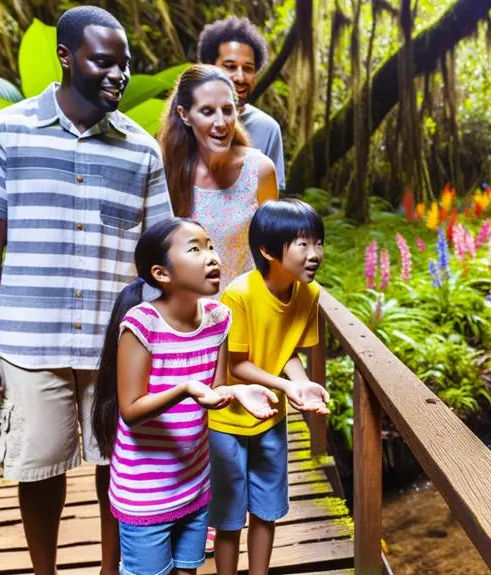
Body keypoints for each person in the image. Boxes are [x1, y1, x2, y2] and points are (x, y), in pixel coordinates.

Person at [0, 6, 171, 574]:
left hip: (116, 340)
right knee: (39, 467)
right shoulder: (5, 130)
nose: (118, 75)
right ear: (66, 56)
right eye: (104, 62)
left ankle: (110, 569)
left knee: (117, 468)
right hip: (31, 337)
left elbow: (158, 253)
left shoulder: (142, 148)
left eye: (125, 65)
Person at [91, 217, 275, 575]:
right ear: (161, 273)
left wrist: (237, 390)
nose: (212, 257)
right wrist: (185, 388)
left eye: (210, 246)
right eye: (196, 249)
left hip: (193, 482)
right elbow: (130, 409)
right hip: (144, 491)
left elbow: (216, 386)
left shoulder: (219, 318)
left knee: (188, 569)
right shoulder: (142, 325)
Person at [210, 198, 331, 575]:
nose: (315, 254)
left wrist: (302, 384)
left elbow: (286, 350)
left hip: (271, 417)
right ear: (267, 250)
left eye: (318, 242)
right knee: (229, 520)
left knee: (267, 510)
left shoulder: (309, 293)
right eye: (303, 244)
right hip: (227, 421)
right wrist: (286, 385)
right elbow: (237, 364)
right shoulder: (240, 294)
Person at [160, 64, 278, 289]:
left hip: (240, 311)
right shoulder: (167, 170)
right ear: (184, 115)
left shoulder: (259, 170)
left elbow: (270, 256)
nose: (221, 122)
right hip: (184, 314)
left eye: (227, 109)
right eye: (207, 111)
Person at [196, 17, 286, 190]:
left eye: (248, 69)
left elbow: (269, 202)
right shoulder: (187, 119)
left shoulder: (267, 128)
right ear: (209, 65)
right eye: (230, 66)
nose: (240, 77)